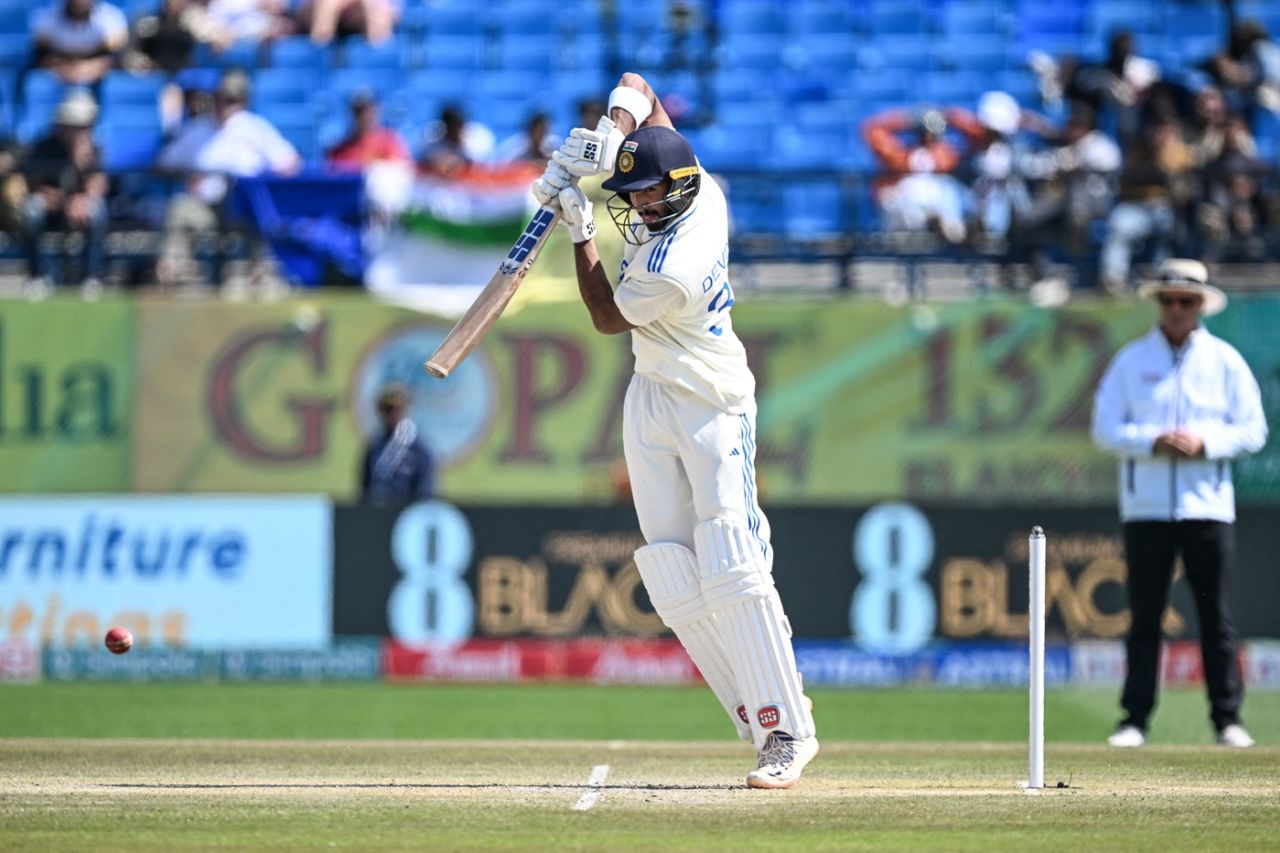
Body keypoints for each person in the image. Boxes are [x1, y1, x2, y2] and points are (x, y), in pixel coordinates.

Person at [531, 72, 818, 788]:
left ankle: (789, 731)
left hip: (712, 403)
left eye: (650, 194)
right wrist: (613, 128)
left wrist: (579, 228)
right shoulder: (700, 185)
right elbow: (641, 87)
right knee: (668, 572)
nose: (638, 205)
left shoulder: (679, 260)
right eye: (630, 196)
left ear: (681, 190)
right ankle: (757, 722)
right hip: (653, 392)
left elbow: (604, 315)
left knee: (731, 560)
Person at [1091, 258, 1268, 749]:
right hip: (1146, 507)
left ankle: (1227, 720)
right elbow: (1104, 429)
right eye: (1168, 300)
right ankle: (1134, 720)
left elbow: (1253, 431)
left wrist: (1205, 443)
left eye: (1185, 301)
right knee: (1145, 617)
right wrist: (1152, 441)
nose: (1175, 309)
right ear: (1158, 304)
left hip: (1207, 507)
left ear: (1200, 306)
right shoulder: (1131, 361)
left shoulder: (1224, 361)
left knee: (1216, 619)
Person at [153, 68, 301, 290]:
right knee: (180, 209)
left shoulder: (254, 128)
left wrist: (260, 181)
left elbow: (291, 163)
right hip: (205, 205)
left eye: (231, 100)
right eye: (221, 98)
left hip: (242, 207)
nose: (225, 105)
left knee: (262, 211)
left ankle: (261, 275)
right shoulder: (198, 129)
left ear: (243, 101)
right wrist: (188, 174)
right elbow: (162, 163)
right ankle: (173, 276)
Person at [20, 89, 109, 299]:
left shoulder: (93, 149)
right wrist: (64, 201)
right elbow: (33, 186)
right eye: (76, 126)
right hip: (50, 208)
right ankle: (37, 276)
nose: (81, 131)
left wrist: (82, 170)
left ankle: (92, 276)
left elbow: (98, 184)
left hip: (77, 209)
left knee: (98, 211)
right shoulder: (43, 147)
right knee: (32, 210)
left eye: (85, 126)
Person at [360, 384, 434, 505]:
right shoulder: (375, 447)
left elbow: (425, 490)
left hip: (407, 514)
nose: (392, 414)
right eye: (387, 409)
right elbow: (365, 488)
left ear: (405, 410)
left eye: (397, 409)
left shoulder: (418, 449)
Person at [33, 0, 128, 85]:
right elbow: (41, 57)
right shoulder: (47, 19)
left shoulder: (111, 19)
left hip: (98, 80)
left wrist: (91, 68)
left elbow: (115, 58)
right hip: (58, 78)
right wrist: (63, 67)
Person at [324, 88, 411, 171]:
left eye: (368, 110)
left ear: (377, 111)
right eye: (358, 111)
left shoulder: (391, 144)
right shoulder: (338, 151)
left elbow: (402, 174)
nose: (364, 116)